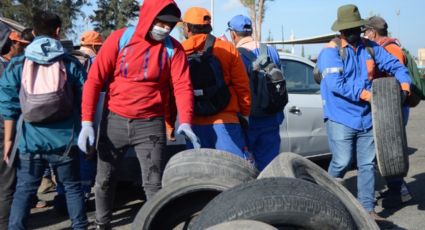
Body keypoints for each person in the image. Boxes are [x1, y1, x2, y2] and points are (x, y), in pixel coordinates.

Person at [77, 1, 196, 228]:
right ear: (148, 18)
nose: (165, 29)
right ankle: (103, 224)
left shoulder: (173, 49)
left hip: (150, 124)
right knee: (104, 180)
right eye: (161, 23)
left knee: (153, 184)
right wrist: (87, 121)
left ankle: (157, 225)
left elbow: (182, 86)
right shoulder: (120, 39)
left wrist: (186, 120)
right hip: (115, 121)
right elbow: (94, 80)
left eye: (170, 26)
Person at [316, 4, 411, 224]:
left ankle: (367, 208)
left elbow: (395, 65)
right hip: (340, 116)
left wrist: (405, 85)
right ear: (340, 31)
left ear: (360, 28)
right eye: (347, 30)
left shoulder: (370, 47)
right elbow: (335, 84)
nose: (352, 34)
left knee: (367, 164)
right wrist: (365, 94)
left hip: (367, 117)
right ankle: (325, 201)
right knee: (342, 161)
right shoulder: (330, 52)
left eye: (356, 30)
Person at [0, 11, 88, 229]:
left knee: (24, 190)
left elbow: (8, 103)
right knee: (72, 188)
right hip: (66, 140)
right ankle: (79, 226)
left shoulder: (19, 62)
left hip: (31, 141)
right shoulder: (70, 62)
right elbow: (86, 98)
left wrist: (10, 140)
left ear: (34, 30)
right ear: (58, 31)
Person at [181, 7, 251, 159]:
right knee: (233, 173)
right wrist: (245, 113)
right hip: (225, 121)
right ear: (209, 26)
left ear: (187, 28)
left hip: (193, 122)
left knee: (198, 175)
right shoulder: (227, 48)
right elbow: (242, 86)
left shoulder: (180, 51)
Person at [364, 16, 412, 208]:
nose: (365, 35)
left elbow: (395, 79)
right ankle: (397, 190)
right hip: (388, 108)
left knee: (390, 150)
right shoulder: (386, 46)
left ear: (372, 32)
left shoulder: (390, 49)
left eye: (366, 31)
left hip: (393, 109)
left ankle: (400, 191)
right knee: (385, 151)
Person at [228, 14, 284, 170]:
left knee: (246, 168)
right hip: (272, 117)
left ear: (233, 33)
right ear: (251, 30)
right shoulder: (271, 51)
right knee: (270, 166)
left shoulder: (234, 54)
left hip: (248, 120)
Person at [0, 21, 13, 230]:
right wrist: (10, 137)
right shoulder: (5, 68)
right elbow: (9, 105)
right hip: (4, 130)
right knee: (5, 181)